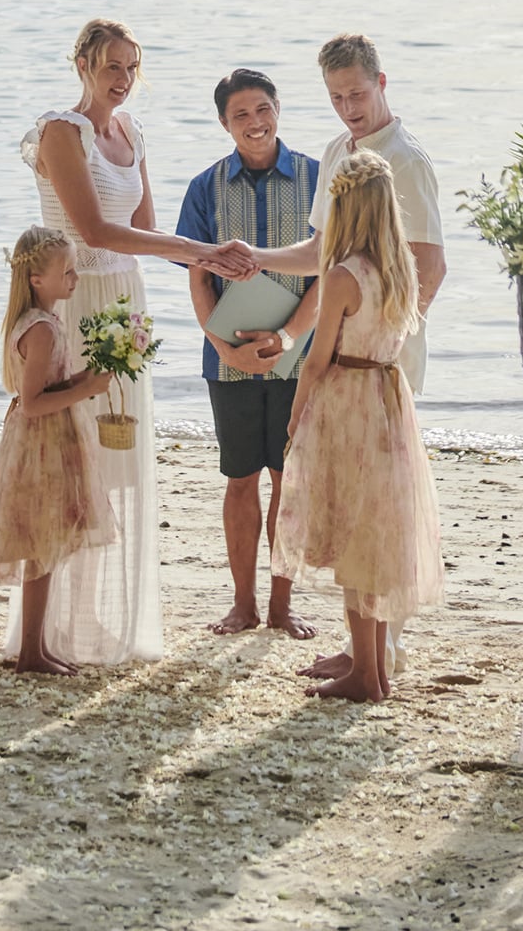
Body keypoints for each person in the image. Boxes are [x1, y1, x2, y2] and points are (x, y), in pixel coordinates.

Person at [19, 15, 257, 665]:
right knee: (69, 460)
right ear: (83, 68)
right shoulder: (60, 131)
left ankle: (91, 618)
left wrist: (221, 250)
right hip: (74, 297)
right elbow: (95, 230)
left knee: (114, 460)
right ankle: (45, 630)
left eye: (130, 67)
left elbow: (145, 228)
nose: (122, 80)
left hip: (125, 302)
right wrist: (201, 250)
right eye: (110, 67)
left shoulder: (132, 133)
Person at [253, 30, 447, 676]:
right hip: (349, 341)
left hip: (381, 355)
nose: (347, 108)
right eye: (335, 97)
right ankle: (360, 646)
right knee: (350, 502)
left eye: (356, 94)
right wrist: (252, 259)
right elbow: (320, 255)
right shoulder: (340, 152)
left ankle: (381, 650)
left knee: (378, 506)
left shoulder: (405, 161)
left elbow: (426, 263)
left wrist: (387, 331)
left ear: (381, 84)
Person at [175, 67, 321, 637]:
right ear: (224, 123)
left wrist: (286, 339)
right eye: (241, 115)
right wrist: (222, 347)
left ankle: (283, 608)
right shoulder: (203, 187)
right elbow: (196, 277)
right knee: (240, 478)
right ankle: (243, 604)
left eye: (262, 109)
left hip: (300, 358)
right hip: (228, 361)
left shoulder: (316, 179)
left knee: (289, 479)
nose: (254, 123)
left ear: (278, 109)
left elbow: (326, 278)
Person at [0, 226, 117, 674]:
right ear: (38, 280)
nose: (75, 279)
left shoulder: (43, 323)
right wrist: (86, 389)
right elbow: (34, 403)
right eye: (67, 271)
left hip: (48, 437)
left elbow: (48, 388)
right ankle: (32, 653)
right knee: (40, 544)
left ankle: (37, 646)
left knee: (46, 543)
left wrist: (87, 379)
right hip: (41, 443)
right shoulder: (42, 331)